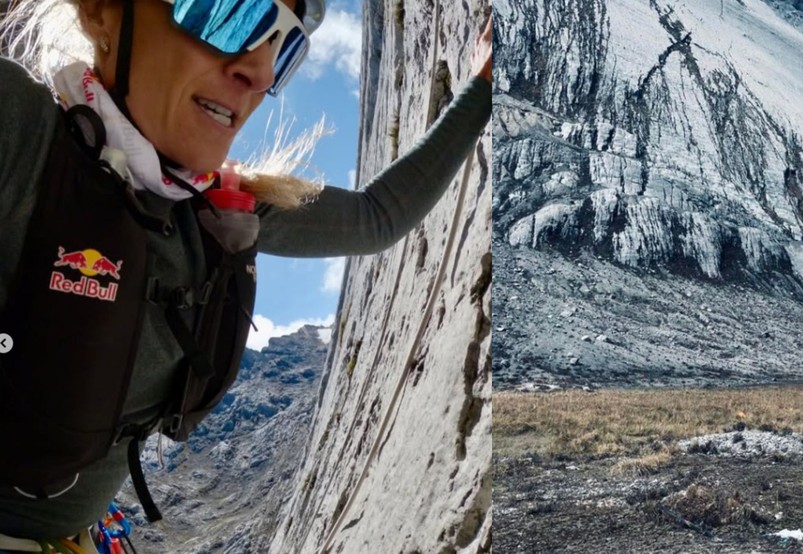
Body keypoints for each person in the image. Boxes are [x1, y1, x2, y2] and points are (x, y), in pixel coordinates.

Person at [0, 0, 491, 550]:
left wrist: (483, 90)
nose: (259, 72)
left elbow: (377, 218)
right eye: (228, 12)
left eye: (284, 48)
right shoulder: (23, 138)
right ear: (99, 14)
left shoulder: (210, 206)